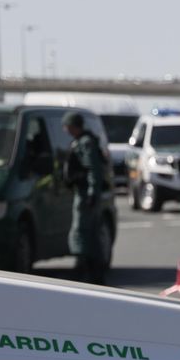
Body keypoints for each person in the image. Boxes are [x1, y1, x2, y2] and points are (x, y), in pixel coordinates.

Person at [62, 111, 108, 284]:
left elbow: (92, 170)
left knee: (81, 230)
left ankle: (84, 266)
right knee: (89, 230)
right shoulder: (81, 141)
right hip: (83, 192)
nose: (65, 129)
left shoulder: (86, 143)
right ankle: (90, 268)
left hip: (85, 194)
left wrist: (91, 193)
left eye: (67, 126)